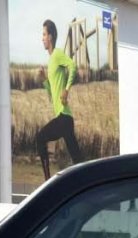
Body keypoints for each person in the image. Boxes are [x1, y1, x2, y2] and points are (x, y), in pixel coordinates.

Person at [35, 19, 81, 181]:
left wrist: (67, 90)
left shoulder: (57, 54)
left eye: (44, 34)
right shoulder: (51, 61)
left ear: (51, 37)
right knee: (78, 161)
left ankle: (47, 181)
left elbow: (73, 66)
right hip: (65, 118)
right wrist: (44, 80)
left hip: (64, 117)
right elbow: (51, 96)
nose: (42, 38)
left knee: (40, 138)